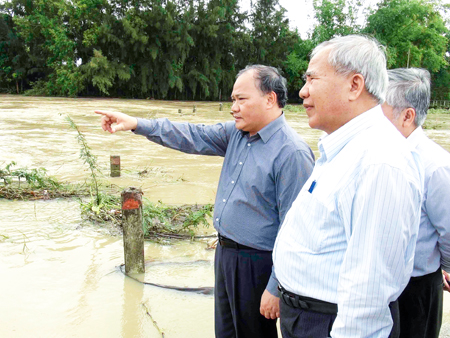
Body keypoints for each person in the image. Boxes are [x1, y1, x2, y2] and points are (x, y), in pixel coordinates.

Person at [95, 65, 315, 338]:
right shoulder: (235, 134)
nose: (234, 107)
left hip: (258, 265)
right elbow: (190, 135)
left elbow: (295, 230)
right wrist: (137, 124)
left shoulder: (292, 153)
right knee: (225, 332)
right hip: (225, 254)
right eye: (233, 99)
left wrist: (276, 286)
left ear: (270, 99)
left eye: (241, 99)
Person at [273, 35, 423, 338]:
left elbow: (369, 292)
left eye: (312, 79)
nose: (302, 91)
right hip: (306, 317)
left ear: (355, 85)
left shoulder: (379, 162)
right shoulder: (342, 148)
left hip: (330, 323)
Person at [382, 67, 450, 338]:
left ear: (407, 115)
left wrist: (439, 267)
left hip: (416, 289)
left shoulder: (435, 166)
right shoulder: (377, 154)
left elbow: (448, 231)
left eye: (379, 108)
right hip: (380, 284)